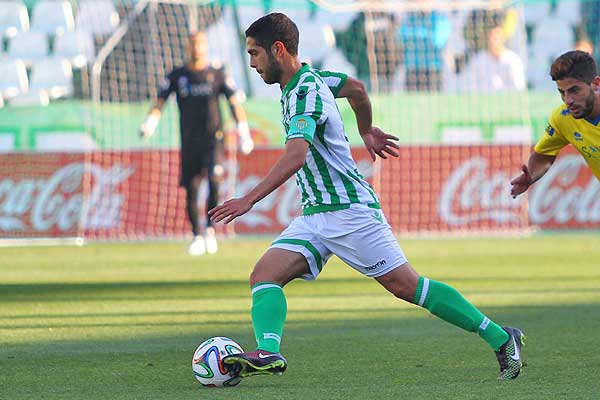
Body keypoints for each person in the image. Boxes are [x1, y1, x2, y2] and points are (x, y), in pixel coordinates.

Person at [209, 13, 524, 381]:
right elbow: (357, 88)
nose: (251, 62)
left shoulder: (306, 92)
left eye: (255, 53)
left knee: (409, 287)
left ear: (278, 49)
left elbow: (296, 156)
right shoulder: (313, 80)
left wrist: (248, 199)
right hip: (315, 216)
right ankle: (268, 352)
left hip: (350, 213)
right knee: (264, 275)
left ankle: (502, 337)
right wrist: (366, 129)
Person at [140, 32, 254, 256]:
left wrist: (244, 131)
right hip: (189, 142)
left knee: (214, 182)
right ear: (187, 47)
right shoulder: (177, 75)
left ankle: (210, 232)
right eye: (193, 44)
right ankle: (196, 235)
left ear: (206, 46)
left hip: (214, 140)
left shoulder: (217, 73)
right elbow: (160, 101)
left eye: (200, 44)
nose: (196, 49)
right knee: (191, 190)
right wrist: (150, 122)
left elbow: (233, 102)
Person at [511, 50, 600, 197]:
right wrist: (532, 175)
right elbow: (543, 155)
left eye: (574, 90)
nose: (568, 100)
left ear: (596, 84)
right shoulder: (563, 118)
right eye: (562, 92)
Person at [456, 24, 525, 92]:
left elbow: (518, 87)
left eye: (495, 38)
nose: (492, 41)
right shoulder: (479, 59)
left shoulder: (513, 60)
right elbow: (471, 86)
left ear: (502, 39)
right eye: (489, 37)